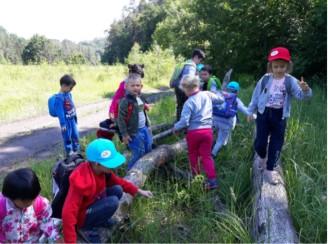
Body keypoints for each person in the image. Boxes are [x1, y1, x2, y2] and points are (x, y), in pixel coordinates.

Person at [62, 138, 153, 243]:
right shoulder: (81, 181)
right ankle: (87, 229)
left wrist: (139, 191)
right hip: (82, 216)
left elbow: (119, 182)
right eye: (110, 163)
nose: (114, 166)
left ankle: (100, 219)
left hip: (95, 201)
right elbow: (67, 213)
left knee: (118, 189)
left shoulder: (103, 171)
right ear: (97, 164)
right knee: (113, 202)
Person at [247, 46, 312, 184]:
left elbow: (302, 97)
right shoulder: (265, 79)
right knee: (260, 142)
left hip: (279, 116)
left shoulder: (290, 81)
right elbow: (256, 95)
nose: (279, 69)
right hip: (263, 113)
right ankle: (261, 155)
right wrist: (250, 111)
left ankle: (270, 169)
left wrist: (305, 90)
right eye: (275, 66)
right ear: (271, 66)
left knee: (276, 143)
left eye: (282, 66)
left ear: (288, 66)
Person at [173, 75, 224, 190]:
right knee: (206, 156)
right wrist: (220, 92)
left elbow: (184, 122)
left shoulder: (188, 103)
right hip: (207, 131)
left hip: (194, 133)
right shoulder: (207, 94)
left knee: (193, 155)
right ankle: (212, 181)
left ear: (186, 89)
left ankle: (196, 178)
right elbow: (221, 100)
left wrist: (175, 127)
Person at [0, 168, 61, 243]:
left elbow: (47, 224)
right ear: (11, 196)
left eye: (34, 198)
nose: (31, 202)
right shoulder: (2, 207)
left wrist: (55, 238)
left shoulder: (41, 204)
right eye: (25, 201)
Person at [117, 74, 153, 170]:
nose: (135, 88)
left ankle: (145, 168)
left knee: (148, 147)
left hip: (144, 128)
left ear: (141, 86)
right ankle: (131, 171)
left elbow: (139, 107)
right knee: (138, 152)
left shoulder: (139, 97)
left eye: (137, 85)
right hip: (133, 132)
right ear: (126, 87)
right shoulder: (125, 101)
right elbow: (120, 119)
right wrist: (124, 134)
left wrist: (145, 107)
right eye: (132, 86)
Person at [212, 81, 251, 157]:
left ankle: (205, 150)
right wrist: (254, 115)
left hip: (214, 119)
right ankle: (213, 154)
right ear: (237, 91)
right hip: (226, 122)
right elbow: (245, 110)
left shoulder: (219, 94)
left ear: (227, 88)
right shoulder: (236, 99)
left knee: (210, 134)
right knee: (220, 140)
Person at [171, 48, 206, 121]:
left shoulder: (186, 63)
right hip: (183, 89)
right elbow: (188, 81)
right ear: (196, 57)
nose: (199, 62)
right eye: (200, 60)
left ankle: (179, 123)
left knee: (180, 106)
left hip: (177, 87)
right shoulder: (191, 66)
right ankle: (183, 125)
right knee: (185, 106)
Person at [54, 74, 80, 156]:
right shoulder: (59, 98)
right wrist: (62, 123)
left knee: (75, 135)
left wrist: (75, 117)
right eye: (70, 87)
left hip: (72, 119)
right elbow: (60, 112)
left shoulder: (68, 94)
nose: (71, 89)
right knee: (67, 137)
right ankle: (70, 152)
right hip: (66, 122)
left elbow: (72, 105)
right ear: (64, 86)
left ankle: (76, 150)